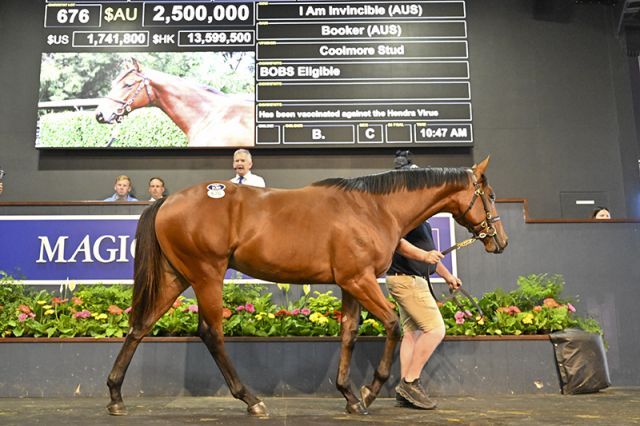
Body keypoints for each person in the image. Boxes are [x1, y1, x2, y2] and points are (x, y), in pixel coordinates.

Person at [385, 157, 462, 410]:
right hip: (407, 281)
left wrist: (447, 275)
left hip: (406, 279)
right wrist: (423, 256)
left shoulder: (418, 214)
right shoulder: (401, 211)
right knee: (436, 330)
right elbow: (397, 242)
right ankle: (410, 382)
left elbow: (430, 251)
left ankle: (404, 389)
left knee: (413, 333)